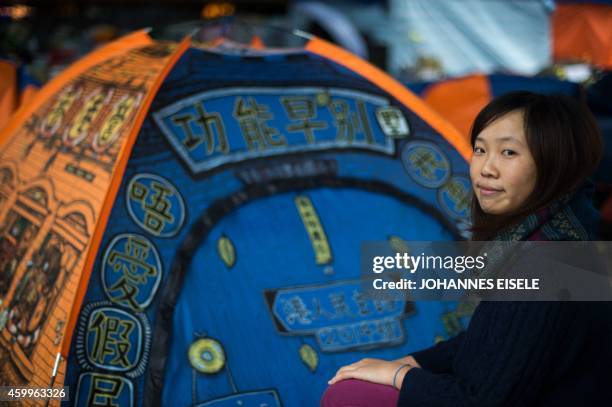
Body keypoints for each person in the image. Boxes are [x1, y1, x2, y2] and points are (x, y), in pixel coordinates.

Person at [321, 92, 612, 406]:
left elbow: (481, 401)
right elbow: (492, 341)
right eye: (480, 149)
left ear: (556, 164)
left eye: (509, 152)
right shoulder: (575, 233)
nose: (487, 168)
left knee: (350, 396)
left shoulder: (545, 264)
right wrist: (410, 363)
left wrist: (398, 376)